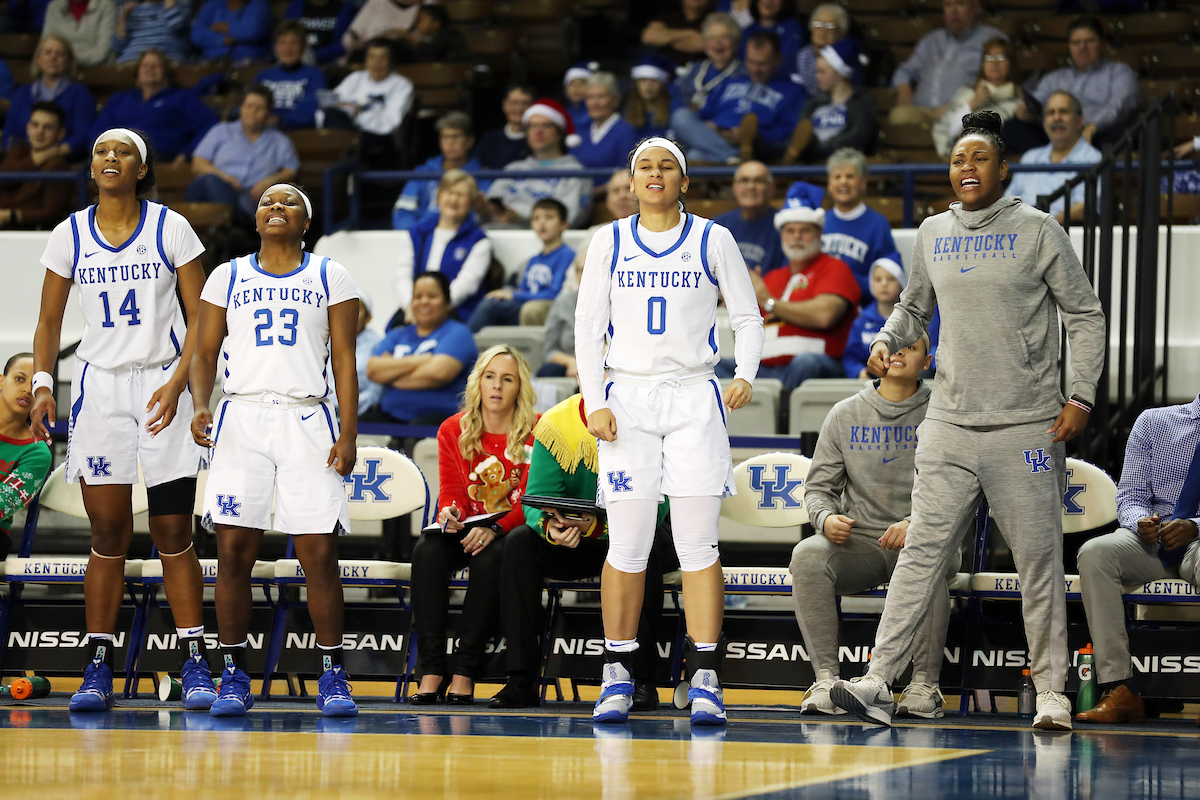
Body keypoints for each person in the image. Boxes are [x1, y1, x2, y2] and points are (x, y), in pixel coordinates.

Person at [830, 111, 1106, 731]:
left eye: (979, 158)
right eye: (958, 160)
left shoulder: (1040, 229)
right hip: (949, 422)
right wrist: (888, 338)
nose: (967, 168)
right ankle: (878, 682)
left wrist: (1080, 397)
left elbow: (1084, 315)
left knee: (1037, 559)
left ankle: (1054, 693)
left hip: (1025, 424)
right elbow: (912, 306)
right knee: (922, 553)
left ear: (1004, 169)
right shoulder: (931, 232)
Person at [575, 136, 765, 725]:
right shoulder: (607, 239)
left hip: (693, 398)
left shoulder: (714, 238)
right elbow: (588, 324)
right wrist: (593, 397)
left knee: (697, 544)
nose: (655, 175)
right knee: (627, 545)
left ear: (685, 180)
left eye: (667, 167)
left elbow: (747, 315)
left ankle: (705, 674)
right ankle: (618, 674)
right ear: (630, 182)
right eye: (644, 167)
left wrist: (746, 374)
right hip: (627, 398)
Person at [31, 128, 213, 713]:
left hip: (164, 384)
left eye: (123, 152)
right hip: (101, 390)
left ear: (140, 169)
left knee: (172, 533)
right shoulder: (69, 234)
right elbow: (48, 324)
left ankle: (195, 661)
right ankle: (97, 664)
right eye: (101, 151)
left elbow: (204, 316)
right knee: (107, 534)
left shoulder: (171, 227)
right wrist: (41, 384)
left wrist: (182, 379)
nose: (111, 158)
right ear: (91, 169)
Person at [189, 183, 361, 718]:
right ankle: (233, 674)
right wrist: (200, 403)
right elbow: (204, 350)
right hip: (240, 416)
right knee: (233, 554)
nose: (276, 207)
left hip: (307, 417)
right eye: (267, 202)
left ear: (306, 221)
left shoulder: (330, 274)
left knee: (318, 555)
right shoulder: (227, 275)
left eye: (288, 202)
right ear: (255, 219)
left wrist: (349, 431)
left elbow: (346, 360)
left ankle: (333, 674)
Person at [794, 331, 958, 718]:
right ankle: (825, 680)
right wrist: (826, 517)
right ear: (878, 356)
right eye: (893, 347)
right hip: (862, 544)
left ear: (928, 360)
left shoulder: (946, 411)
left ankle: (925, 685)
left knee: (925, 559)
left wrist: (916, 523)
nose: (899, 353)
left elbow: (961, 488)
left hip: (930, 536)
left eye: (911, 348)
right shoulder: (845, 413)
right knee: (807, 556)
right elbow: (817, 489)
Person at [489, 391, 675, 710]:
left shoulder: (651, 418)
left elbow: (660, 506)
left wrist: (597, 528)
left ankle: (642, 679)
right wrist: (551, 527)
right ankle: (521, 679)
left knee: (648, 545)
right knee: (519, 543)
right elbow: (536, 498)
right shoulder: (556, 424)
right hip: (578, 539)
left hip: (638, 530)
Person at [408, 346, 537, 704]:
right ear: (478, 382)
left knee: (490, 556)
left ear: (519, 388)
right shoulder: (454, 429)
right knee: (428, 551)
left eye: (507, 379)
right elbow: (452, 493)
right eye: (489, 376)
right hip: (469, 525)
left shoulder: (534, 431)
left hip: (508, 530)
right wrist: (449, 514)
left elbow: (530, 499)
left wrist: (494, 529)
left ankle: (465, 671)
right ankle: (431, 668)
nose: (497, 386)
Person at [1074, 397, 1200, 726]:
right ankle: (1121, 688)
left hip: (1198, 539)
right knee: (1095, 553)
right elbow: (1130, 494)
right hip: (1152, 541)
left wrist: (1195, 526)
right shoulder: (1154, 422)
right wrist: (1141, 522)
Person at [716, 194, 859, 389]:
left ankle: (783, 417)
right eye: (790, 231)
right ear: (781, 236)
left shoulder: (835, 268)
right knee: (713, 366)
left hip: (815, 367)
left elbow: (825, 316)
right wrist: (736, 301)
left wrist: (767, 301)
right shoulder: (773, 277)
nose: (797, 236)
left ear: (819, 235)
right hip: (764, 369)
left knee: (806, 363)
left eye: (805, 230)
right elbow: (744, 334)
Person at [1007, 17, 1139, 153]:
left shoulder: (1119, 72)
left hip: (1097, 134)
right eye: (1076, 42)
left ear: (1102, 43)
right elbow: (1036, 103)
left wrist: (1094, 126)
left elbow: (1119, 106)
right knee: (1012, 127)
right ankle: (1050, 164)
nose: (1082, 47)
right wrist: (1024, 110)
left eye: (1089, 41)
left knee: (1115, 134)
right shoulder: (1054, 78)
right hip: (1055, 134)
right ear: (1069, 46)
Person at [672, 30, 804, 164]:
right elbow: (708, 111)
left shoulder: (792, 91)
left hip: (752, 145)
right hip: (715, 135)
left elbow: (787, 130)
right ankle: (735, 158)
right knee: (681, 116)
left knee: (696, 155)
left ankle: (735, 156)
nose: (755, 70)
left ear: (777, 59)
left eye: (762, 64)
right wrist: (711, 124)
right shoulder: (732, 81)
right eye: (751, 62)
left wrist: (756, 136)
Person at [367, 271, 479, 425]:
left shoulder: (458, 333)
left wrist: (390, 375)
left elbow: (438, 374)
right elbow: (373, 370)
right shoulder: (397, 334)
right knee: (362, 425)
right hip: (390, 415)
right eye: (417, 297)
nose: (424, 301)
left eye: (432, 296)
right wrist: (422, 360)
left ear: (447, 303)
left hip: (438, 418)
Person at [187, 85, 300, 222]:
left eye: (259, 108)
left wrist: (271, 181)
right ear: (241, 109)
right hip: (215, 193)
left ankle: (227, 227)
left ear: (268, 114)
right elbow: (198, 162)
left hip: (252, 202)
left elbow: (291, 169)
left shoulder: (280, 141)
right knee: (207, 181)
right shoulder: (221, 131)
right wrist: (224, 178)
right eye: (249, 106)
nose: (252, 111)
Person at [392, 170, 492, 326]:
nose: (453, 199)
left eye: (461, 195)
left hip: (457, 312)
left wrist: (435, 309)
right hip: (414, 309)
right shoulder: (416, 233)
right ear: (438, 196)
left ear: (471, 202)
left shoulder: (479, 241)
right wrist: (410, 305)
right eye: (449, 192)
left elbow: (467, 285)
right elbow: (402, 274)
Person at [889, 0, 1005, 126]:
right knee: (899, 115)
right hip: (922, 110)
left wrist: (960, 105)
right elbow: (904, 71)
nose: (954, 10)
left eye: (960, 4)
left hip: (964, 109)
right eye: (948, 5)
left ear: (975, 6)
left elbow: (1000, 82)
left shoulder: (992, 39)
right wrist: (904, 91)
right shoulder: (932, 39)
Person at [91, 49, 219, 162]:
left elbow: (210, 126)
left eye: (156, 66)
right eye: (145, 65)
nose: (149, 69)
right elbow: (99, 131)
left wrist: (187, 153)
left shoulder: (182, 98)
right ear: (138, 74)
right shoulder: (119, 100)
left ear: (166, 73)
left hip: (161, 160)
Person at [484, 98, 592, 229]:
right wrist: (483, 208)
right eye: (532, 126)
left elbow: (572, 217)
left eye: (546, 125)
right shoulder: (513, 169)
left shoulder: (577, 172)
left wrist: (519, 217)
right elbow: (490, 208)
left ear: (560, 133)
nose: (538, 131)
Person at [469, 198, 574, 332]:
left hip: (545, 307)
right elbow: (522, 289)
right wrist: (509, 295)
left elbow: (555, 293)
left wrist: (512, 295)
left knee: (490, 307)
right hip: (524, 305)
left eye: (549, 217)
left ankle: (465, 344)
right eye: (536, 218)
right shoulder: (534, 259)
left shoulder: (567, 255)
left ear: (564, 224)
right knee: (493, 302)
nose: (542, 223)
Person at [1005, 91, 1100, 223]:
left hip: (1067, 235)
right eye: (1051, 113)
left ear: (1079, 121)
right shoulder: (1030, 158)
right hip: (1022, 233)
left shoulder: (1092, 158)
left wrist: (1045, 226)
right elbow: (1008, 203)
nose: (1056, 118)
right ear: (1044, 123)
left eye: (1063, 112)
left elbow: (1082, 209)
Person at [818, 148, 898, 303]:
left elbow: (889, 279)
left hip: (860, 310)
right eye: (837, 176)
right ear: (829, 184)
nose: (843, 182)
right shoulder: (818, 222)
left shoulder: (878, 224)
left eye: (850, 176)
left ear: (863, 183)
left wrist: (844, 280)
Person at [325, 37, 414, 168]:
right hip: (347, 133)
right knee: (333, 116)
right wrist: (350, 112)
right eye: (371, 57)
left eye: (382, 58)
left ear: (391, 61)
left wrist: (357, 114)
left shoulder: (402, 85)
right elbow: (330, 103)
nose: (376, 63)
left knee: (344, 143)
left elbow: (389, 124)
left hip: (379, 140)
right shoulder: (355, 79)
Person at [3, 36, 96, 161]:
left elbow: (83, 137)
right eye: (47, 52)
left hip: (62, 162)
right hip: (21, 160)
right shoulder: (22, 93)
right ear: (38, 60)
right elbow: (7, 136)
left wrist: (51, 153)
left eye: (60, 54)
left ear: (68, 62)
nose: (53, 57)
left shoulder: (79, 93)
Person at [392, 112, 488, 231]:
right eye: (445, 137)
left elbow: (483, 218)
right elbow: (403, 213)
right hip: (422, 237)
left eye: (456, 137)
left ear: (470, 141)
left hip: (462, 239)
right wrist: (419, 235)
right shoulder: (423, 172)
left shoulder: (482, 175)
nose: (450, 143)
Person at [0, 353, 53, 562]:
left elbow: (4, 503)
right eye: (20, 379)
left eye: (35, 385)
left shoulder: (38, 453)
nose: (26, 389)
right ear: (1, 381)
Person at [791, 39, 876, 164]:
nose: (817, 77)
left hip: (843, 162)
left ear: (839, 73)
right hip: (809, 161)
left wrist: (819, 147)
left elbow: (857, 138)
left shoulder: (862, 104)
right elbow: (801, 132)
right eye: (817, 71)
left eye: (822, 72)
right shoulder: (814, 103)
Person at [932, 37, 1021, 157]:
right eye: (989, 58)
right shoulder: (966, 93)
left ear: (1011, 63)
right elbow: (947, 130)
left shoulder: (1019, 100)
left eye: (1001, 57)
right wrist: (972, 104)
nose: (994, 63)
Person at [0, 102, 75, 229]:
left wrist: (11, 215)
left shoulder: (58, 166)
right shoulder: (18, 151)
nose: (40, 132)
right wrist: (36, 159)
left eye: (48, 127)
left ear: (61, 133)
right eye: (35, 125)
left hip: (28, 234)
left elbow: (52, 213)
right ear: (28, 128)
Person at [713, 160, 784, 273]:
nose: (751, 186)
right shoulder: (718, 225)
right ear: (734, 187)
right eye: (744, 180)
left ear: (771, 189)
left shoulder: (784, 226)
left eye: (759, 181)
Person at [254, 20, 326, 130]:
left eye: (293, 43)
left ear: (302, 47)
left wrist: (279, 120)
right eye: (282, 43)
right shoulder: (263, 76)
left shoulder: (315, 75)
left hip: (298, 134)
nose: (288, 48)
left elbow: (311, 114)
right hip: (263, 129)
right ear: (275, 47)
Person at [674, 13, 744, 114]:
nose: (718, 42)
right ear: (705, 44)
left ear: (736, 43)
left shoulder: (744, 73)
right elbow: (676, 96)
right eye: (712, 38)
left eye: (724, 37)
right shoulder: (695, 68)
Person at [571, 72, 639, 172]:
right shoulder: (579, 129)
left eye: (601, 96)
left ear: (615, 100)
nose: (595, 103)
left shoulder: (625, 132)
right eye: (590, 97)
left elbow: (625, 173)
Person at [792, 3, 850, 97]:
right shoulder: (801, 56)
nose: (823, 30)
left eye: (830, 26)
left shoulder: (846, 62)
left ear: (841, 33)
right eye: (818, 24)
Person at [112, 0, 193, 65]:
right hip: (132, 60)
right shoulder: (133, 10)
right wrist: (124, 16)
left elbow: (177, 26)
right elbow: (118, 46)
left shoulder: (181, 7)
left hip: (168, 59)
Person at [41, 0, 118, 68]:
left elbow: (102, 53)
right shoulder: (54, 7)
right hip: (60, 71)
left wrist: (67, 59)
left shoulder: (106, 6)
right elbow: (45, 46)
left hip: (98, 73)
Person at [342, 0, 430, 59]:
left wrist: (403, 35)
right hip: (366, 58)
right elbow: (348, 38)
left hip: (407, 62)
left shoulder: (429, 5)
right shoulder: (377, 2)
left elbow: (430, 45)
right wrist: (357, 43)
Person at [191, 0, 272, 64]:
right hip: (211, 59)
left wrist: (221, 27)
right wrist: (223, 39)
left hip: (248, 61)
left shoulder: (259, 5)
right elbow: (196, 35)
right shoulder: (212, 5)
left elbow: (252, 31)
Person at [476, 85, 534, 171]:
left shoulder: (537, 138)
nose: (518, 108)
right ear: (504, 105)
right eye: (513, 103)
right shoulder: (490, 139)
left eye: (525, 103)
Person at [626, 54, 681, 140]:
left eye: (654, 80)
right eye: (643, 80)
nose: (648, 86)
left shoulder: (674, 110)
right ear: (636, 84)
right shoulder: (628, 112)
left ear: (663, 85)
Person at [642, 0, 713, 66]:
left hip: (698, 70)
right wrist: (690, 33)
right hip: (663, 69)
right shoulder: (667, 17)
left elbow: (703, 44)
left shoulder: (715, 19)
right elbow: (649, 37)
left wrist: (668, 40)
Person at [284, 0, 355, 64]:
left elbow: (345, 43)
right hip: (296, 61)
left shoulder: (346, 10)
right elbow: (283, 35)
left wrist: (314, 55)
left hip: (332, 64)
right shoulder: (295, 7)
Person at [739, 0, 802, 70]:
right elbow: (741, 62)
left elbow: (788, 63)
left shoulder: (792, 27)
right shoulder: (748, 30)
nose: (768, 1)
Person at [392, 4, 465, 64]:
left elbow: (432, 55)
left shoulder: (450, 35)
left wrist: (410, 37)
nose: (417, 23)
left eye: (421, 20)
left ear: (435, 24)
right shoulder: (425, 38)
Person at [562, 61, 594, 133]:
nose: (576, 88)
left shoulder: (595, 111)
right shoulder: (563, 113)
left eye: (581, 84)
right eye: (572, 84)